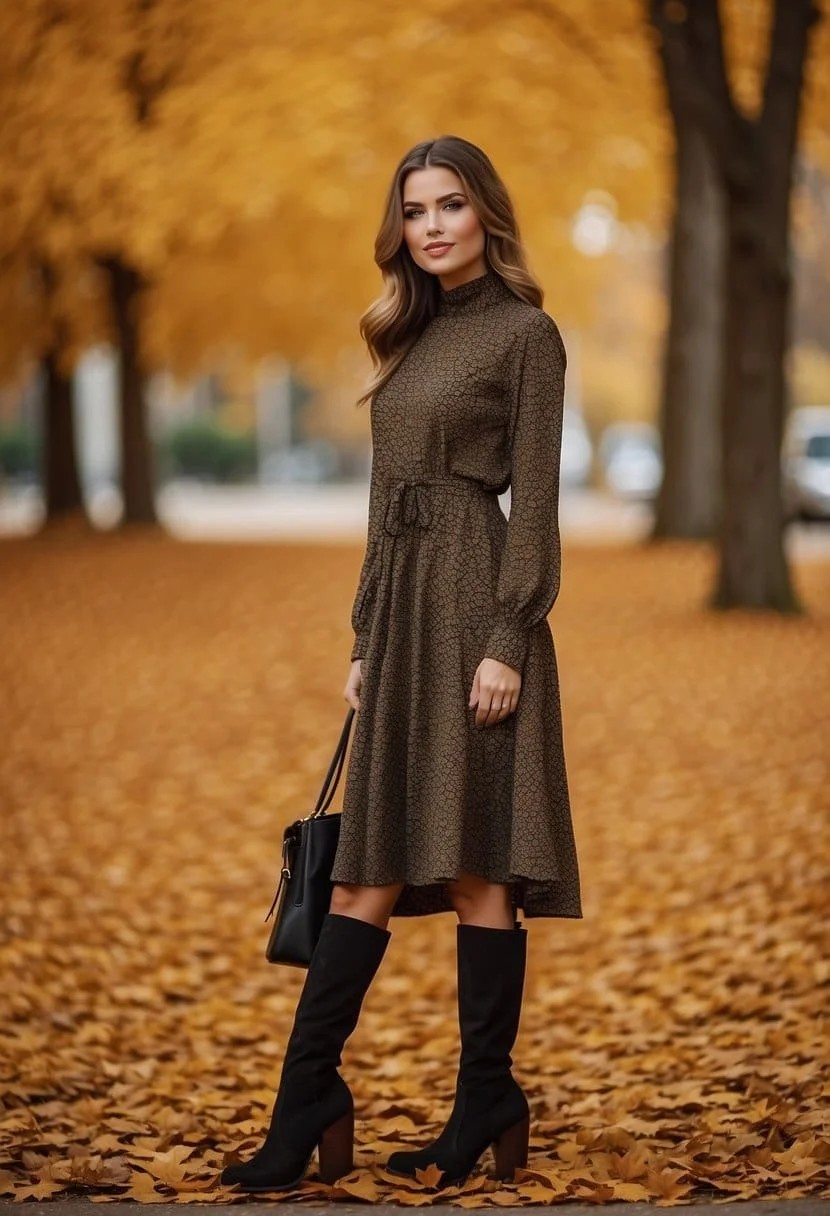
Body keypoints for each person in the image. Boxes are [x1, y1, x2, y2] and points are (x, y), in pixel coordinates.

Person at [220, 134, 582, 1194]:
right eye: (415, 209)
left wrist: (507, 637)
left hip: (476, 609)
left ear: (484, 217)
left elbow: (536, 504)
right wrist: (364, 643)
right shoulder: (405, 339)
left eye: (450, 205)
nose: (431, 225)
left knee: (479, 871)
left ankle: (482, 1097)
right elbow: (381, 513)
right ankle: (308, 1101)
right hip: (404, 622)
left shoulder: (528, 335)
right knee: (362, 872)